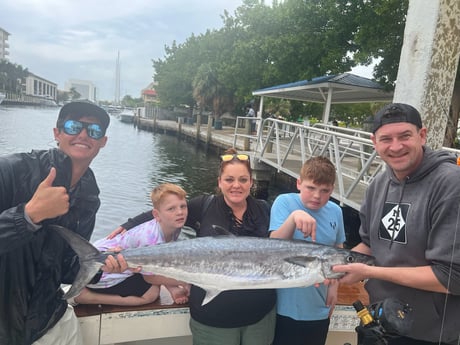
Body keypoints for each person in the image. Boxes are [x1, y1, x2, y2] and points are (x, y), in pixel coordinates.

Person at [108, 148, 277, 345]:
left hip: (261, 316)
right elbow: (164, 210)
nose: (236, 186)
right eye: (229, 180)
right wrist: (127, 226)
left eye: (243, 180)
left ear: (251, 183)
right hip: (212, 318)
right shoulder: (203, 205)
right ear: (219, 182)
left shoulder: (265, 209)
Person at [0, 100, 132, 345]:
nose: (83, 134)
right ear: (57, 133)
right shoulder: (10, 171)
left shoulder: (89, 195)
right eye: (73, 126)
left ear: (102, 142)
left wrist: (99, 265)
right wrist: (28, 216)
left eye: (94, 131)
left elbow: (64, 266)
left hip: (52, 321)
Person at [333, 103, 460, 345]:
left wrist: (368, 272)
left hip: (428, 334)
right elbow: (370, 246)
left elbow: (451, 277)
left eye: (405, 136)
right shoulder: (379, 183)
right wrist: (328, 265)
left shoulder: (451, 184)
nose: (396, 146)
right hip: (376, 320)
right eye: (386, 139)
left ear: (422, 135)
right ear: (374, 142)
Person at [74, 183, 190, 306]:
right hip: (103, 274)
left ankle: (173, 289)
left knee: (160, 265)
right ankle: (86, 296)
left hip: (125, 265)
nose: (180, 212)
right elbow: (149, 278)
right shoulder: (150, 238)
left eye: (183, 206)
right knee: (152, 293)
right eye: (171, 209)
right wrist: (185, 281)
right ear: (156, 215)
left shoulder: (172, 225)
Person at [269, 156, 345, 345]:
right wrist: (294, 217)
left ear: (332, 190)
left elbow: (339, 250)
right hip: (282, 307)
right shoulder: (284, 202)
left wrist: (335, 286)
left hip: (319, 307)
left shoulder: (336, 211)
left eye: (324, 191)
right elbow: (272, 246)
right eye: (311, 188)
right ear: (299, 183)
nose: (317, 196)